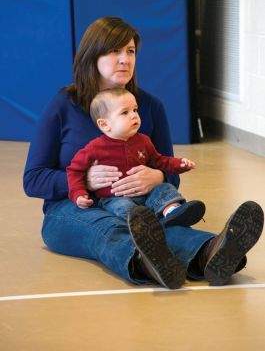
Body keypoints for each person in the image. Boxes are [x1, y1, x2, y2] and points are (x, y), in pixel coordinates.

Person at [23, 16, 264, 289]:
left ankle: (210, 253)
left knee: (150, 224)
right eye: (114, 51)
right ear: (92, 56)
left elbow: (170, 174)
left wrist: (159, 177)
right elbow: (33, 179)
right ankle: (147, 263)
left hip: (138, 207)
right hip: (71, 211)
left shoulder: (149, 107)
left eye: (130, 51)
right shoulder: (62, 105)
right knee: (110, 228)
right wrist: (84, 182)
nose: (125, 59)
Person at [66, 87, 206, 228]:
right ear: (104, 124)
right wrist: (78, 193)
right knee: (122, 207)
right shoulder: (94, 148)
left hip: (147, 192)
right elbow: (75, 171)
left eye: (135, 110)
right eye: (125, 112)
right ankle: (144, 226)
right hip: (115, 198)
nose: (134, 115)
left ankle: (172, 212)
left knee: (164, 188)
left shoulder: (143, 140)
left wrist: (179, 164)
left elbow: (159, 161)